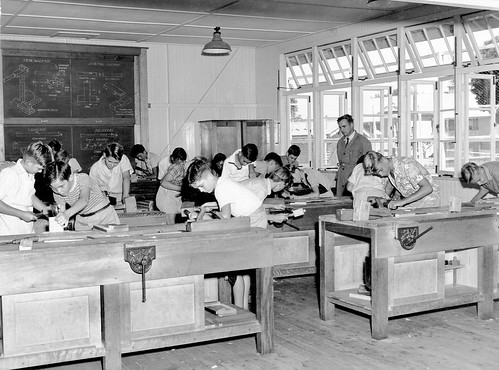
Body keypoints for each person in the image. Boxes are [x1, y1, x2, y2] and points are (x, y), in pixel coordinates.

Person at [186, 158, 285, 310]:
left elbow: (225, 219)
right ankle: (243, 308)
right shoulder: (223, 182)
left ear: (208, 177)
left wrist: (204, 218)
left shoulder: (221, 189)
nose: (201, 190)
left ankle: (239, 310)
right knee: (243, 271)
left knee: (235, 269)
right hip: (255, 218)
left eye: (200, 185)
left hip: (253, 221)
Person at [45, 160, 120, 231]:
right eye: (54, 188)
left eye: (61, 186)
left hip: (103, 216)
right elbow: (62, 211)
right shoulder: (56, 192)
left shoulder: (82, 178)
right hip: (82, 221)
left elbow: (84, 200)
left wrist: (67, 214)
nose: (59, 191)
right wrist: (61, 220)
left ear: (70, 177)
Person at [0, 141, 53, 236]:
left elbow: (30, 196)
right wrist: (21, 214)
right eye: (39, 168)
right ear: (28, 163)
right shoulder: (10, 174)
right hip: (8, 233)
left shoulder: (29, 174)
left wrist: (43, 208)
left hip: (26, 232)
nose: (40, 172)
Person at [363, 151, 440, 209]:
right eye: (378, 173)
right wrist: (381, 200)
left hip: (427, 201)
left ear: (383, 159)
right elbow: (390, 187)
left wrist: (401, 202)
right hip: (412, 202)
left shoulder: (406, 165)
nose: (381, 175)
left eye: (381, 170)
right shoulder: (390, 167)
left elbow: (427, 188)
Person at [336, 114, 372, 197]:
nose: (342, 130)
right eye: (340, 127)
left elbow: (368, 165)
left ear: (351, 124)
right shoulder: (340, 142)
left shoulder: (363, 141)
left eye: (344, 126)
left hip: (355, 181)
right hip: (341, 181)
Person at [156, 147, 187, 224]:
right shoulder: (176, 167)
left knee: (171, 222)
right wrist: (181, 189)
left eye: (183, 161)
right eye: (180, 161)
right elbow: (164, 183)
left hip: (173, 195)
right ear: (173, 159)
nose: (182, 163)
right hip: (167, 195)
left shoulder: (182, 165)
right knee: (170, 224)